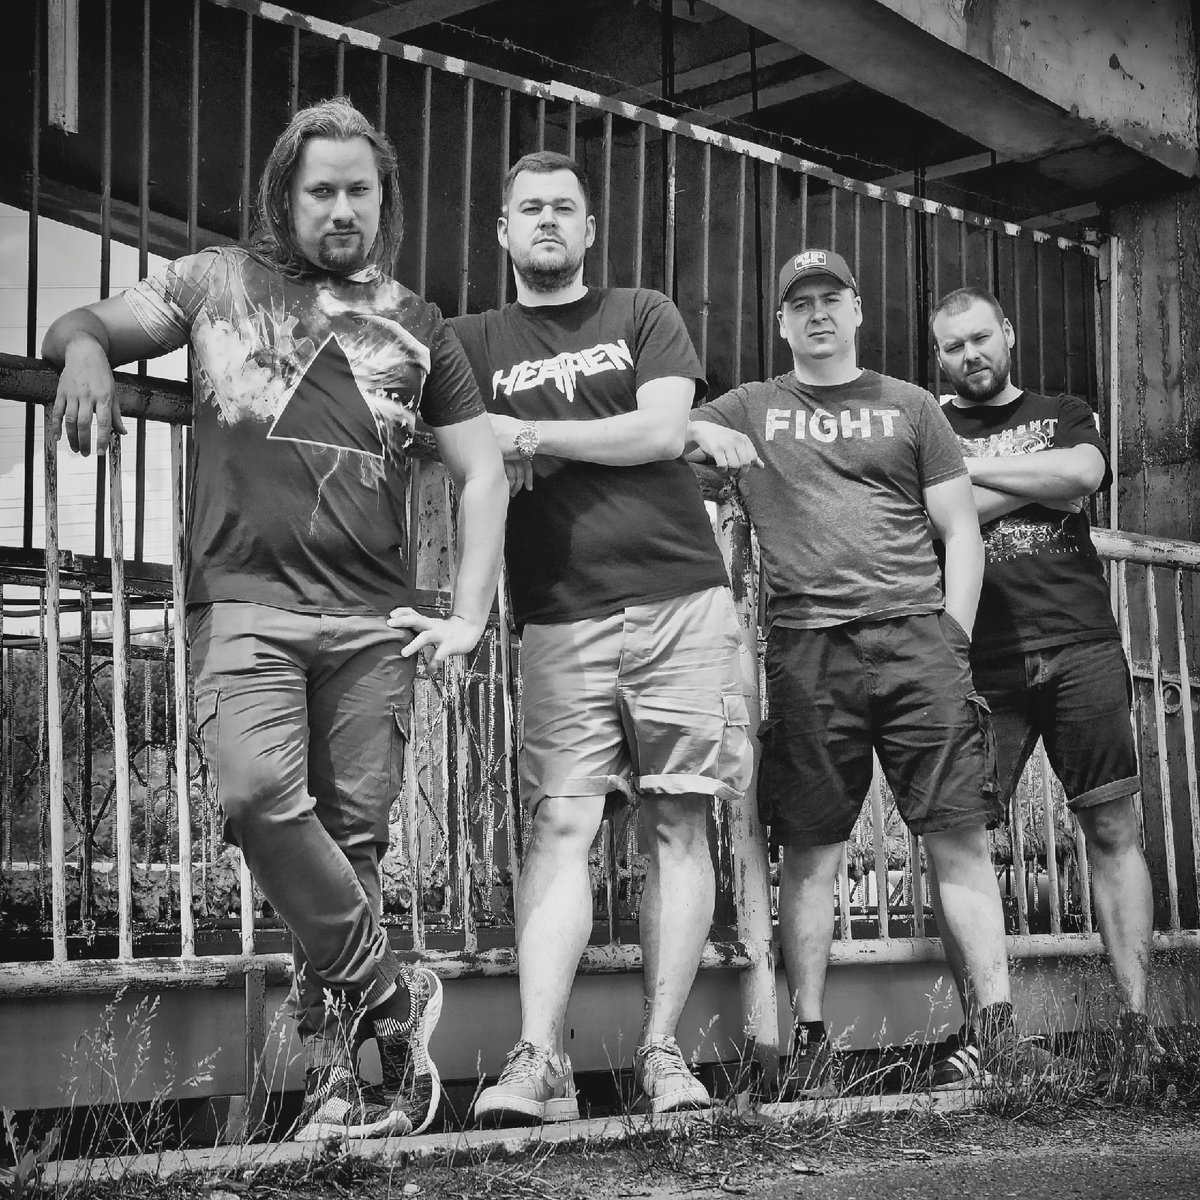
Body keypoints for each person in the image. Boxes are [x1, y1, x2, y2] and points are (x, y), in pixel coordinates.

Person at [41, 97, 508, 1141]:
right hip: (246, 604)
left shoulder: (419, 322)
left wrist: (469, 615)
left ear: (383, 200)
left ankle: (358, 1080)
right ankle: (391, 992)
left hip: (374, 620)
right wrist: (82, 354)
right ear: (284, 196)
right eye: (321, 190)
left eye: (358, 191)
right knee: (257, 798)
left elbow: (483, 473)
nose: (341, 209)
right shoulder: (213, 284)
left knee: (350, 847)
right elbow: (83, 324)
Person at [687, 249, 1054, 1096]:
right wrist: (700, 430)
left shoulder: (912, 405)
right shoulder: (752, 406)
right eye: (801, 303)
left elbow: (960, 531)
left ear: (857, 310)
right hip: (808, 646)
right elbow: (662, 432)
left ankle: (996, 1035)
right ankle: (811, 1045)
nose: (817, 313)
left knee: (959, 835)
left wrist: (953, 638)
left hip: (918, 640)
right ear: (781, 322)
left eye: (832, 298)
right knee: (810, 849)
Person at [449, 150, 753, 1123]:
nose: (547, 219)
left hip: (680, 597)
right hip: (559, 610)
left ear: (588, 230)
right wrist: (487, 436)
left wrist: (525, 432)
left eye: (563, 207)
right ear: (503, 230)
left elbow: (659, 431)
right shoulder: (467, 341)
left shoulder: (643, 313)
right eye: (529, 207)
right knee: (561, 824)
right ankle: (538, 1060)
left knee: (678, 820)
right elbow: (430, 434)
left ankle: (663, 1054)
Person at [931, 286, 1158, 1092]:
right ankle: (986, 1034)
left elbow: (1083, 475)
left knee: (1112, 826)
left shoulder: (1063, 409)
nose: (971, 355)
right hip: (978, 658)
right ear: (939, 357)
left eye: (980, 337)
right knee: (959, 838)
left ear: (1009, 332)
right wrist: (1036, 481)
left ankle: (1137, 1028)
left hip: (1080, 643)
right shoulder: (929, 424)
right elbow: (932, 515)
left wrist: (970, 478)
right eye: (953, 345)